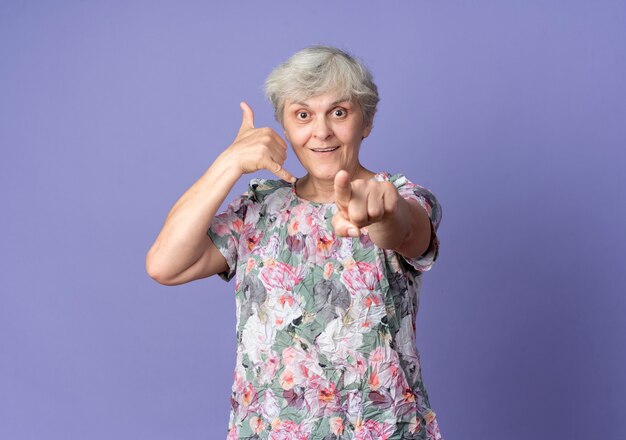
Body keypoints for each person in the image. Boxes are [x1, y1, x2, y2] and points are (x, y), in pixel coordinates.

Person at [146, 45, 443, 440]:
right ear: (284, 127)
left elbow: (404, 231)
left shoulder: (401, 196)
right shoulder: (259, 206)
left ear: (366, 121)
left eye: (339, 112)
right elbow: (164, 264)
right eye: (303, 115)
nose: (321, 131)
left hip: (383, 430)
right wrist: (229, 162)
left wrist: (381, 212)